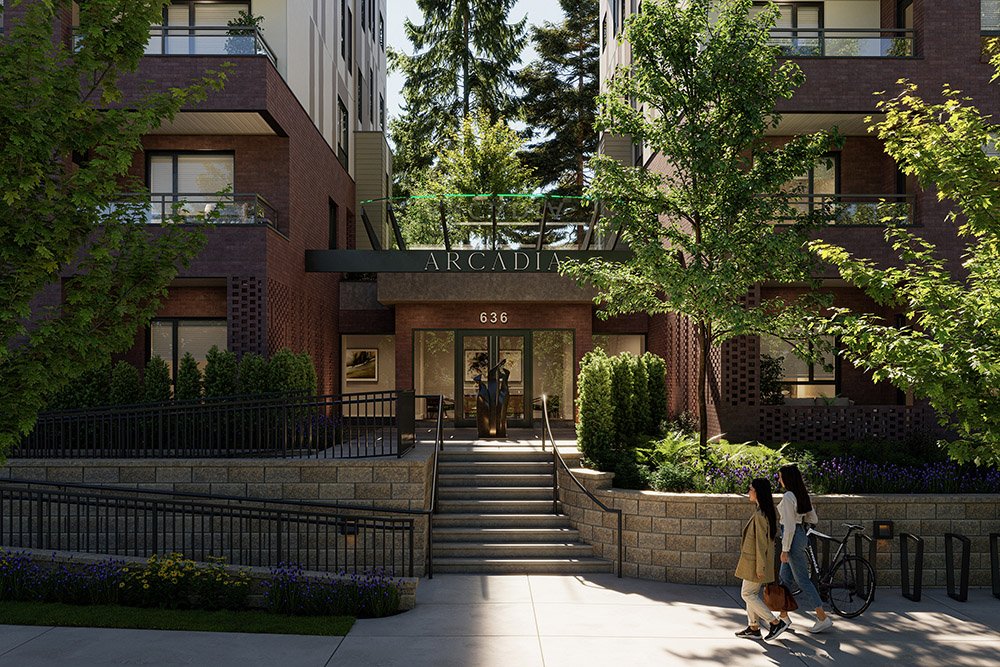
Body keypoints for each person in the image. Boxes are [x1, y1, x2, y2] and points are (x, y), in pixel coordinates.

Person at [765, 464, 833, 640]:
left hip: (792, 539)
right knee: (784, 578)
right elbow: (814, 518)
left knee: (802, 580)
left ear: (787, 478)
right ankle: (784, 617)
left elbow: (788, 527)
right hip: (800, 535)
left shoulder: (788, 496)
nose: (778, 480)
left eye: (780, 477)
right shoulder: (801, 494)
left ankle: (822, 617)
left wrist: (785, 550)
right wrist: (800, 522)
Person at [734, 478, 785, 640]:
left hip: (756, 563)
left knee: (747, 594)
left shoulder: (761, 515)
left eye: (750, 489)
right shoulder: (762, 512)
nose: (748, 492)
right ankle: (753, 627)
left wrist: (760, 567)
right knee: (751, 593)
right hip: (753, 562)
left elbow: (762, 544)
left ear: (758, 492)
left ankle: (775, 622)